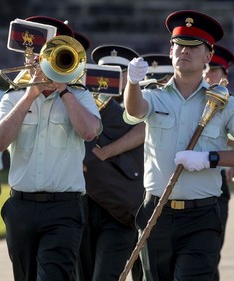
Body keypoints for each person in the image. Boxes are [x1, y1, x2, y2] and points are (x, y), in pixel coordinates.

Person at [123, 10, 234, 281]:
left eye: (193, 47)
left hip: (201, 216)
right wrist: (132, 83)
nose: (184, 51)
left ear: (208, 55)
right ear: (170, 51)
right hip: (156, 212)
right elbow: (135, 110)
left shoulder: (224, 102)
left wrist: (211, 158)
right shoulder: (153, 95)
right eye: (179, 45)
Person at [0, 16, 102, 281]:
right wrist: (30, 95)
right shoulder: (13, 97)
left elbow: (89, 132)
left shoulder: (80, 96)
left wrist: (64, 90)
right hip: (21, 207)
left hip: (64, 208)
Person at [76, 44, 145, 281]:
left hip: (120, 207)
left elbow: (146, 128)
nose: (110, 78)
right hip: (84, 203)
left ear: (129, 76)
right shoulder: (82, 103)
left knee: (105, 275)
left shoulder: (137, 107)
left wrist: (106, 152)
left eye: (120, 72)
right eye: (106, 72)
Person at [202, 43, 234, 281]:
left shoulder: (231, 105)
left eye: (214, 70)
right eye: (205, 68)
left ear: (225, 76)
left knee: (209, 254)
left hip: (215, 182)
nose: (207, 73)